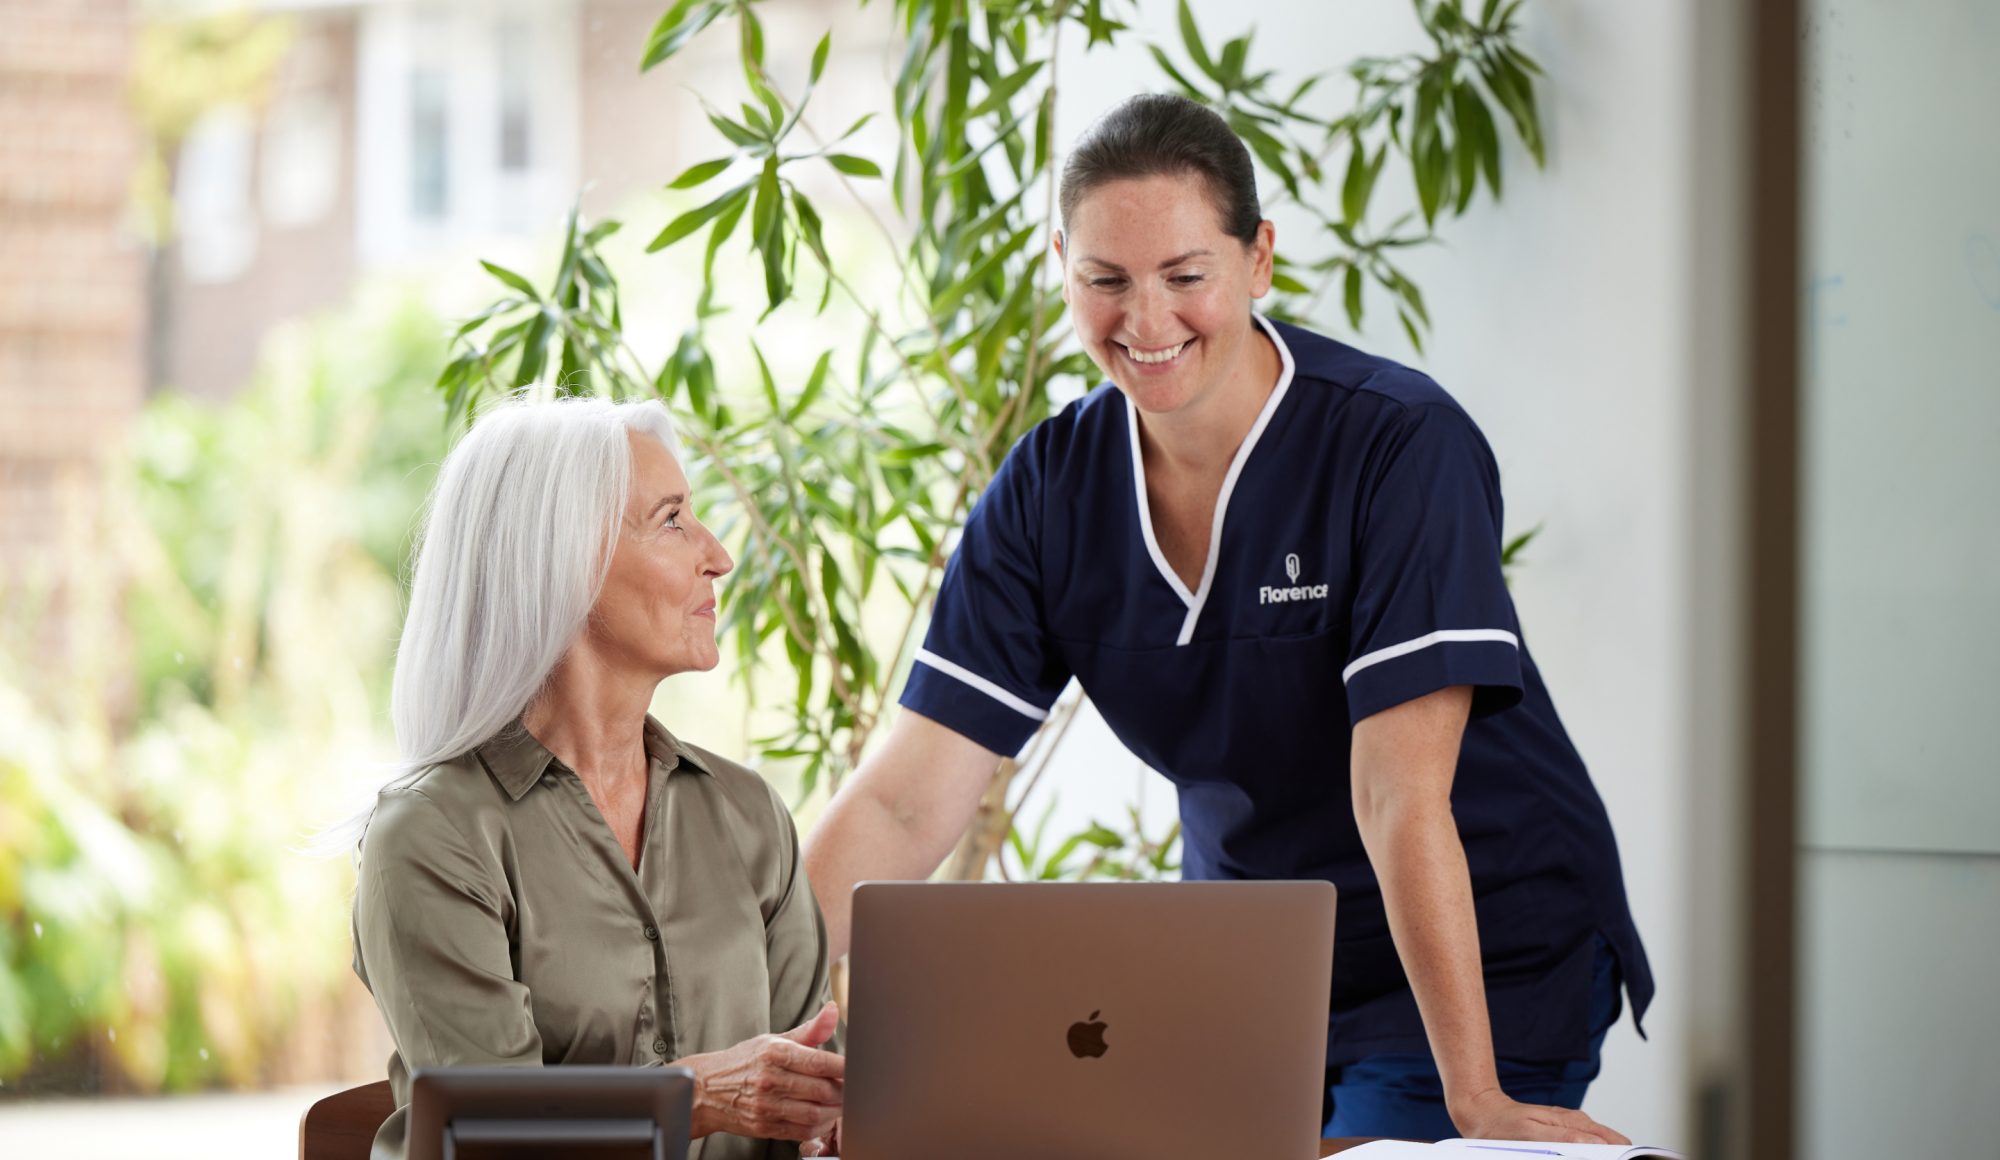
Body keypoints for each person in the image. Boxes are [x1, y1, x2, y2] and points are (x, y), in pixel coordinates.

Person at [804, 93, 1652, 1145]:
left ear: (1257, 258)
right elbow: (899, 804)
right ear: (1060, 260)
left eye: (1184, 276)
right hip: (1253, 963)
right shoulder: (1048, 489)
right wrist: (742, 1019)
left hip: (1480, 947)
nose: (1145, 322)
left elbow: (1395, 794)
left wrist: (1475, 1104)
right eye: (1104, 280)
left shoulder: (1397, 446)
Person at [345, 398, 843, 1160]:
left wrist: (841, 1114)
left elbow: (809, 1092)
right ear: (563, 558)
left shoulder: (746, 815)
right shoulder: (431, 836)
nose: (717, 555)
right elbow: (486, 1135)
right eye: (673, 519)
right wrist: (699, 1099)